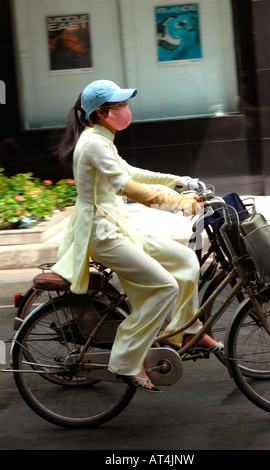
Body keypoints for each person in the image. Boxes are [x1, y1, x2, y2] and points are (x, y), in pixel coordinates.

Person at [52, 79, 223, 392]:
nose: (126, 110)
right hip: (104, 235)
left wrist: (180, 181)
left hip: (121, 225)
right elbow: (127, 186)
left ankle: (181, 331)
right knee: (164, 287)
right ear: (102, 112)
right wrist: (179, 204)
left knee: (186, 260)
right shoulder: (93, 144)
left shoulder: (103, 140)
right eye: (120, 106)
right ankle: (127, 361)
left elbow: (132, 173)